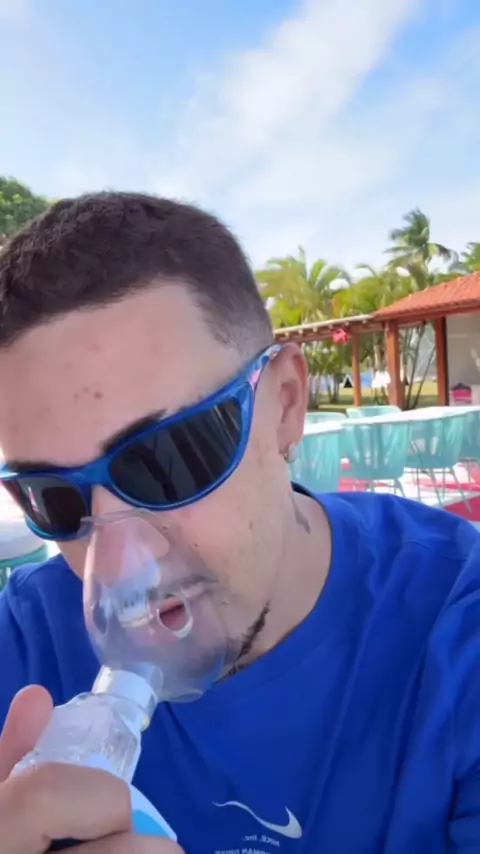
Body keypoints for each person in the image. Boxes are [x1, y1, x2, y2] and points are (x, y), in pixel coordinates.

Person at [0, 194, 479, 854]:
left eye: (168, 460)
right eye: (51, 497)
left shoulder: (456, 635)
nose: (120, 561)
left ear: (284, 404)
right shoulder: (24, 645)